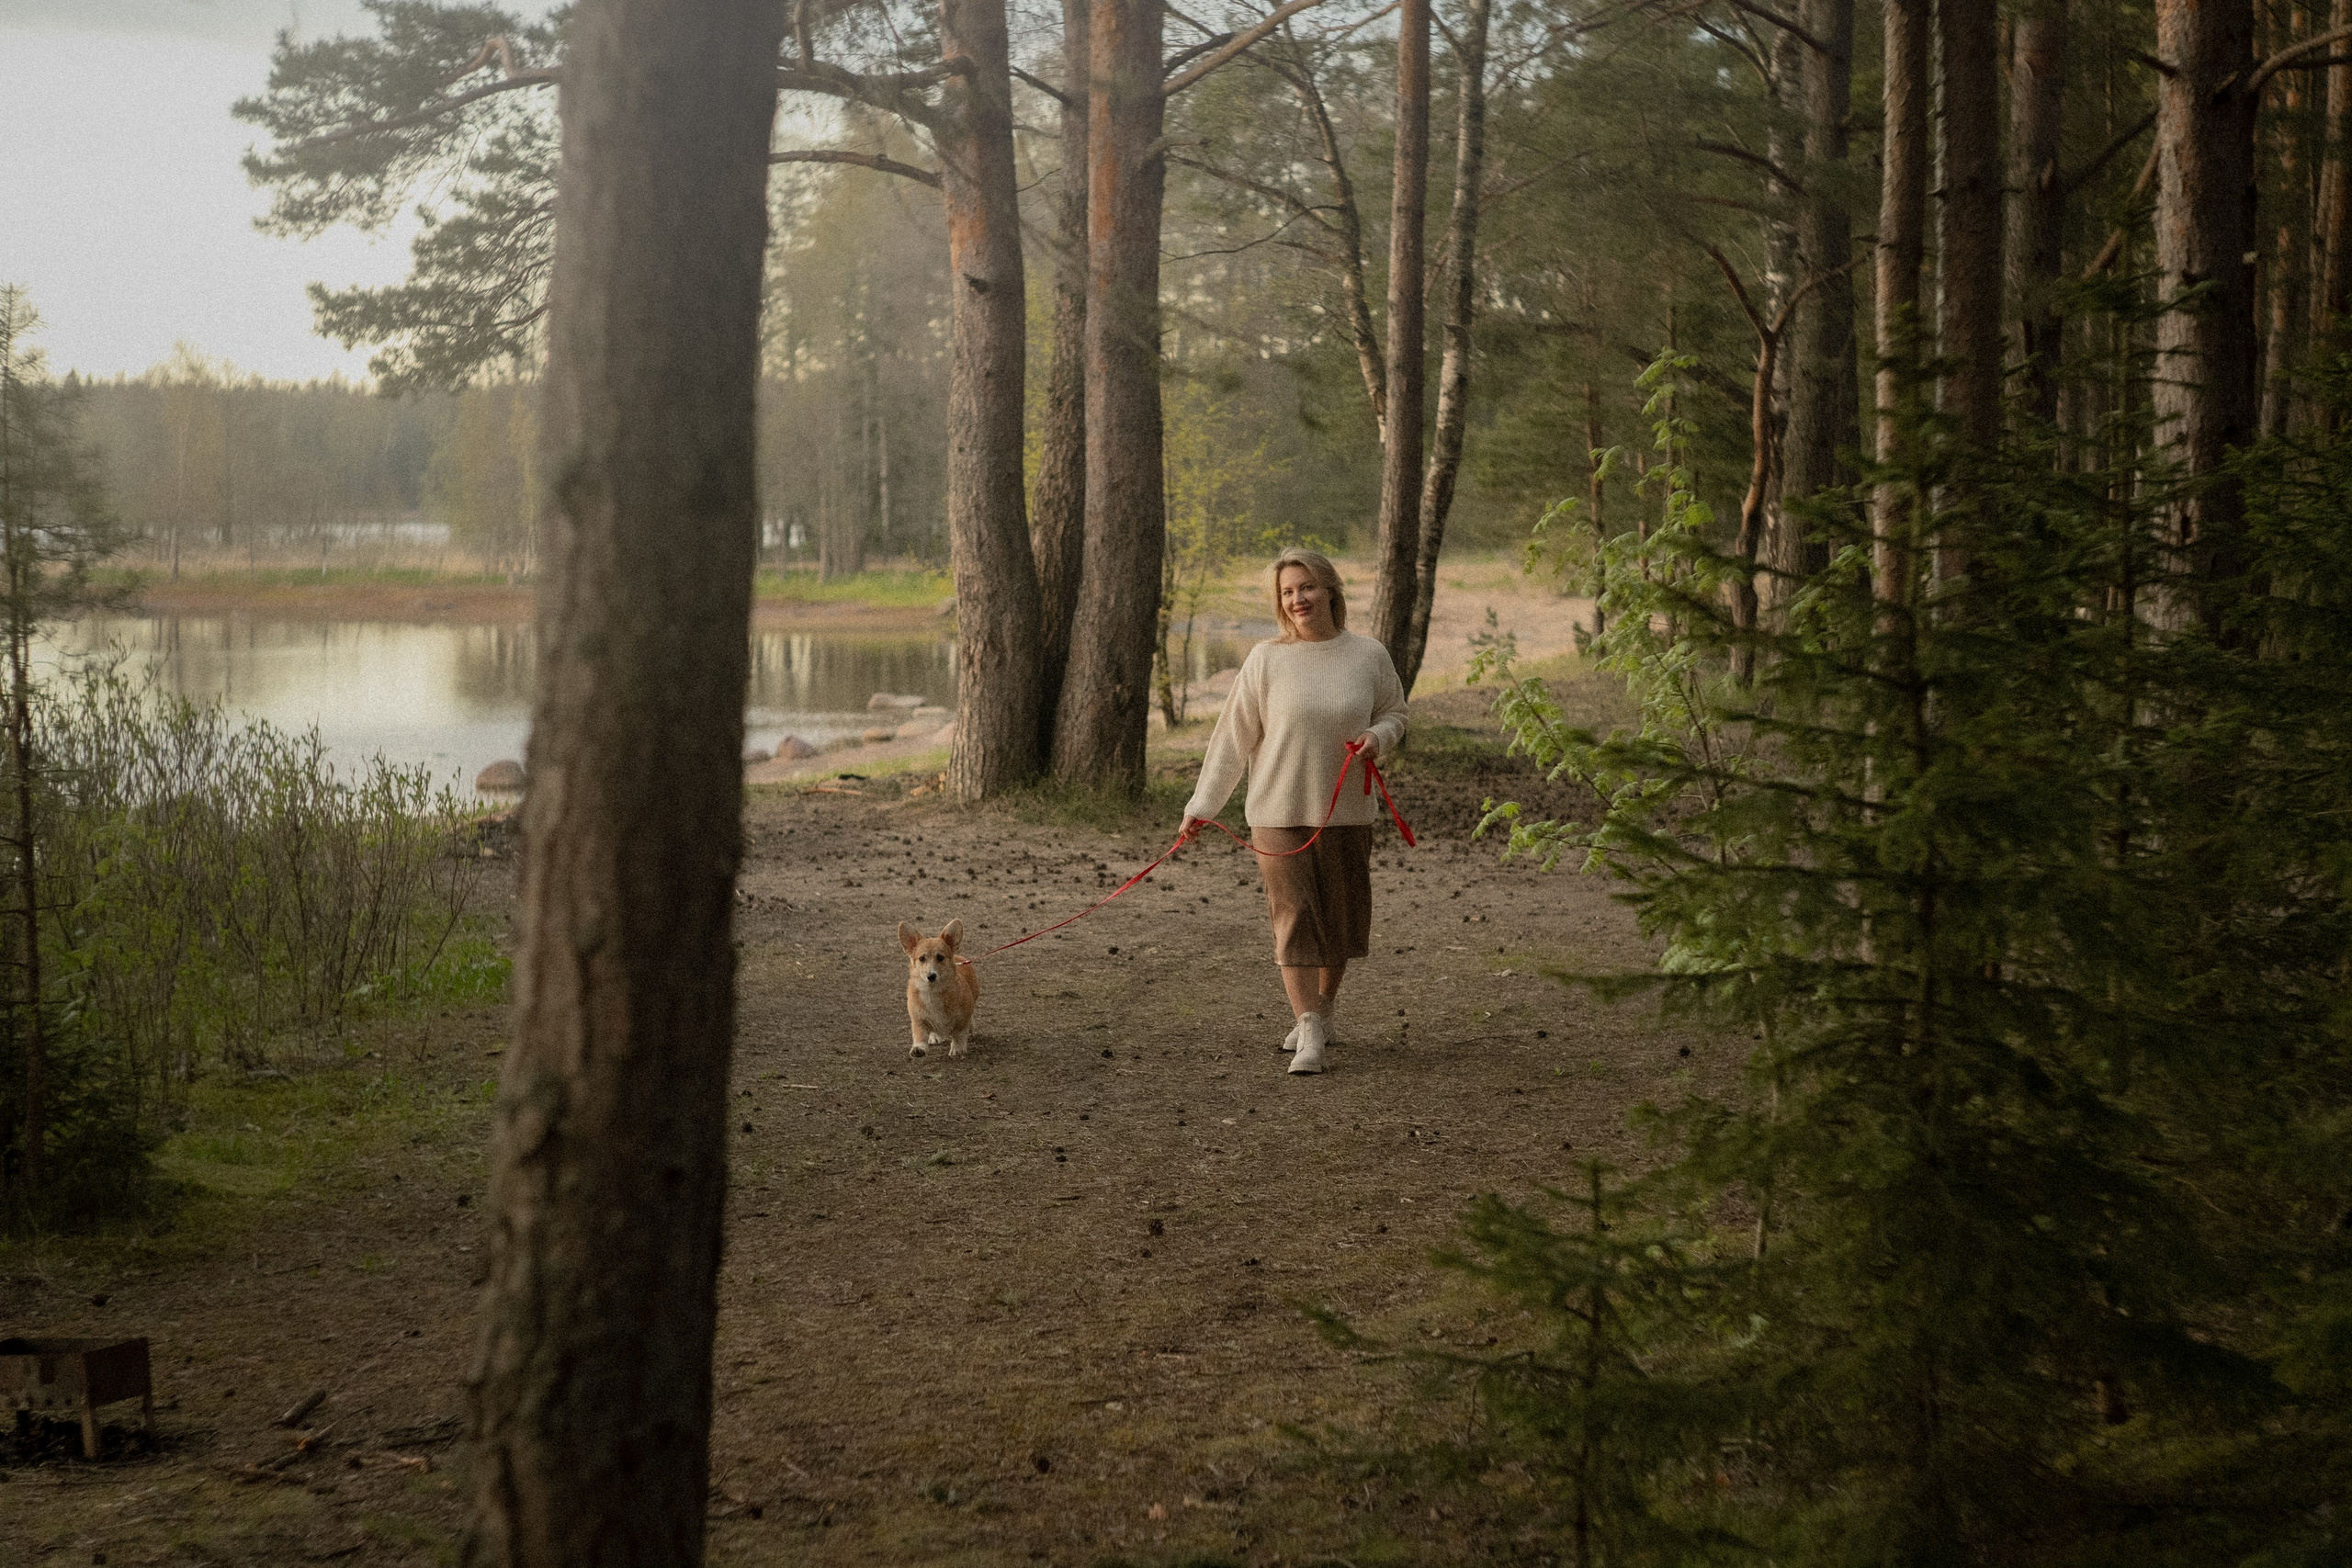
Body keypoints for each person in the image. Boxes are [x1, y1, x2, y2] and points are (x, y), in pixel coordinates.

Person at [1178, 547, 1408, 1076]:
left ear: (1329, 589)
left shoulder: (1368, 655)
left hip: (1347, 811)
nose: (1298, 599)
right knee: (1295, 918)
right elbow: (1232, 741)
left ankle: (1324, 1008)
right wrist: (1202, 806)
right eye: (1287, 592)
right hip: (1276, 812)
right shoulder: (1265, 659)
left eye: (1306, 587)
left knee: (1341, 920)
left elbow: (1395, 712)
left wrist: (1379, 735)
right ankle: (1307, 1025)